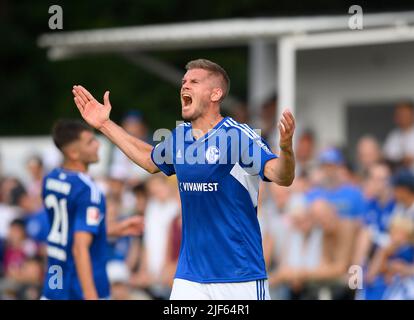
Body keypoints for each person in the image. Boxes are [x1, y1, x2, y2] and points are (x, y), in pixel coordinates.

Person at [72, 58, 296, 300]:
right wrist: (104, 124)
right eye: (184, 82)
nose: (185, 86)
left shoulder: (237, 137)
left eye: (194, 81)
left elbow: (280, 175)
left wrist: (285, 149)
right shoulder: (181, 137)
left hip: (239, 276)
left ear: (215, 94)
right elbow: (149, 159)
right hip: (190, 278)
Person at [41, 119, 144, 300]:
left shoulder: (51, 179)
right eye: (90, 142)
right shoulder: (89, 191)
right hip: (82, 289)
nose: (98, 145)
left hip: (54, 285)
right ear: (73, 152)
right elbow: (80, 247)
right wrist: (90, 295)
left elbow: (70, 230)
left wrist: (116, 229)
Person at [383, 101, 414, 171]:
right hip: (396, 176)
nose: (402, 117)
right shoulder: (393, 136)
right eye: (399, 114)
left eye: (405, 114)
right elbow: (387, 157)